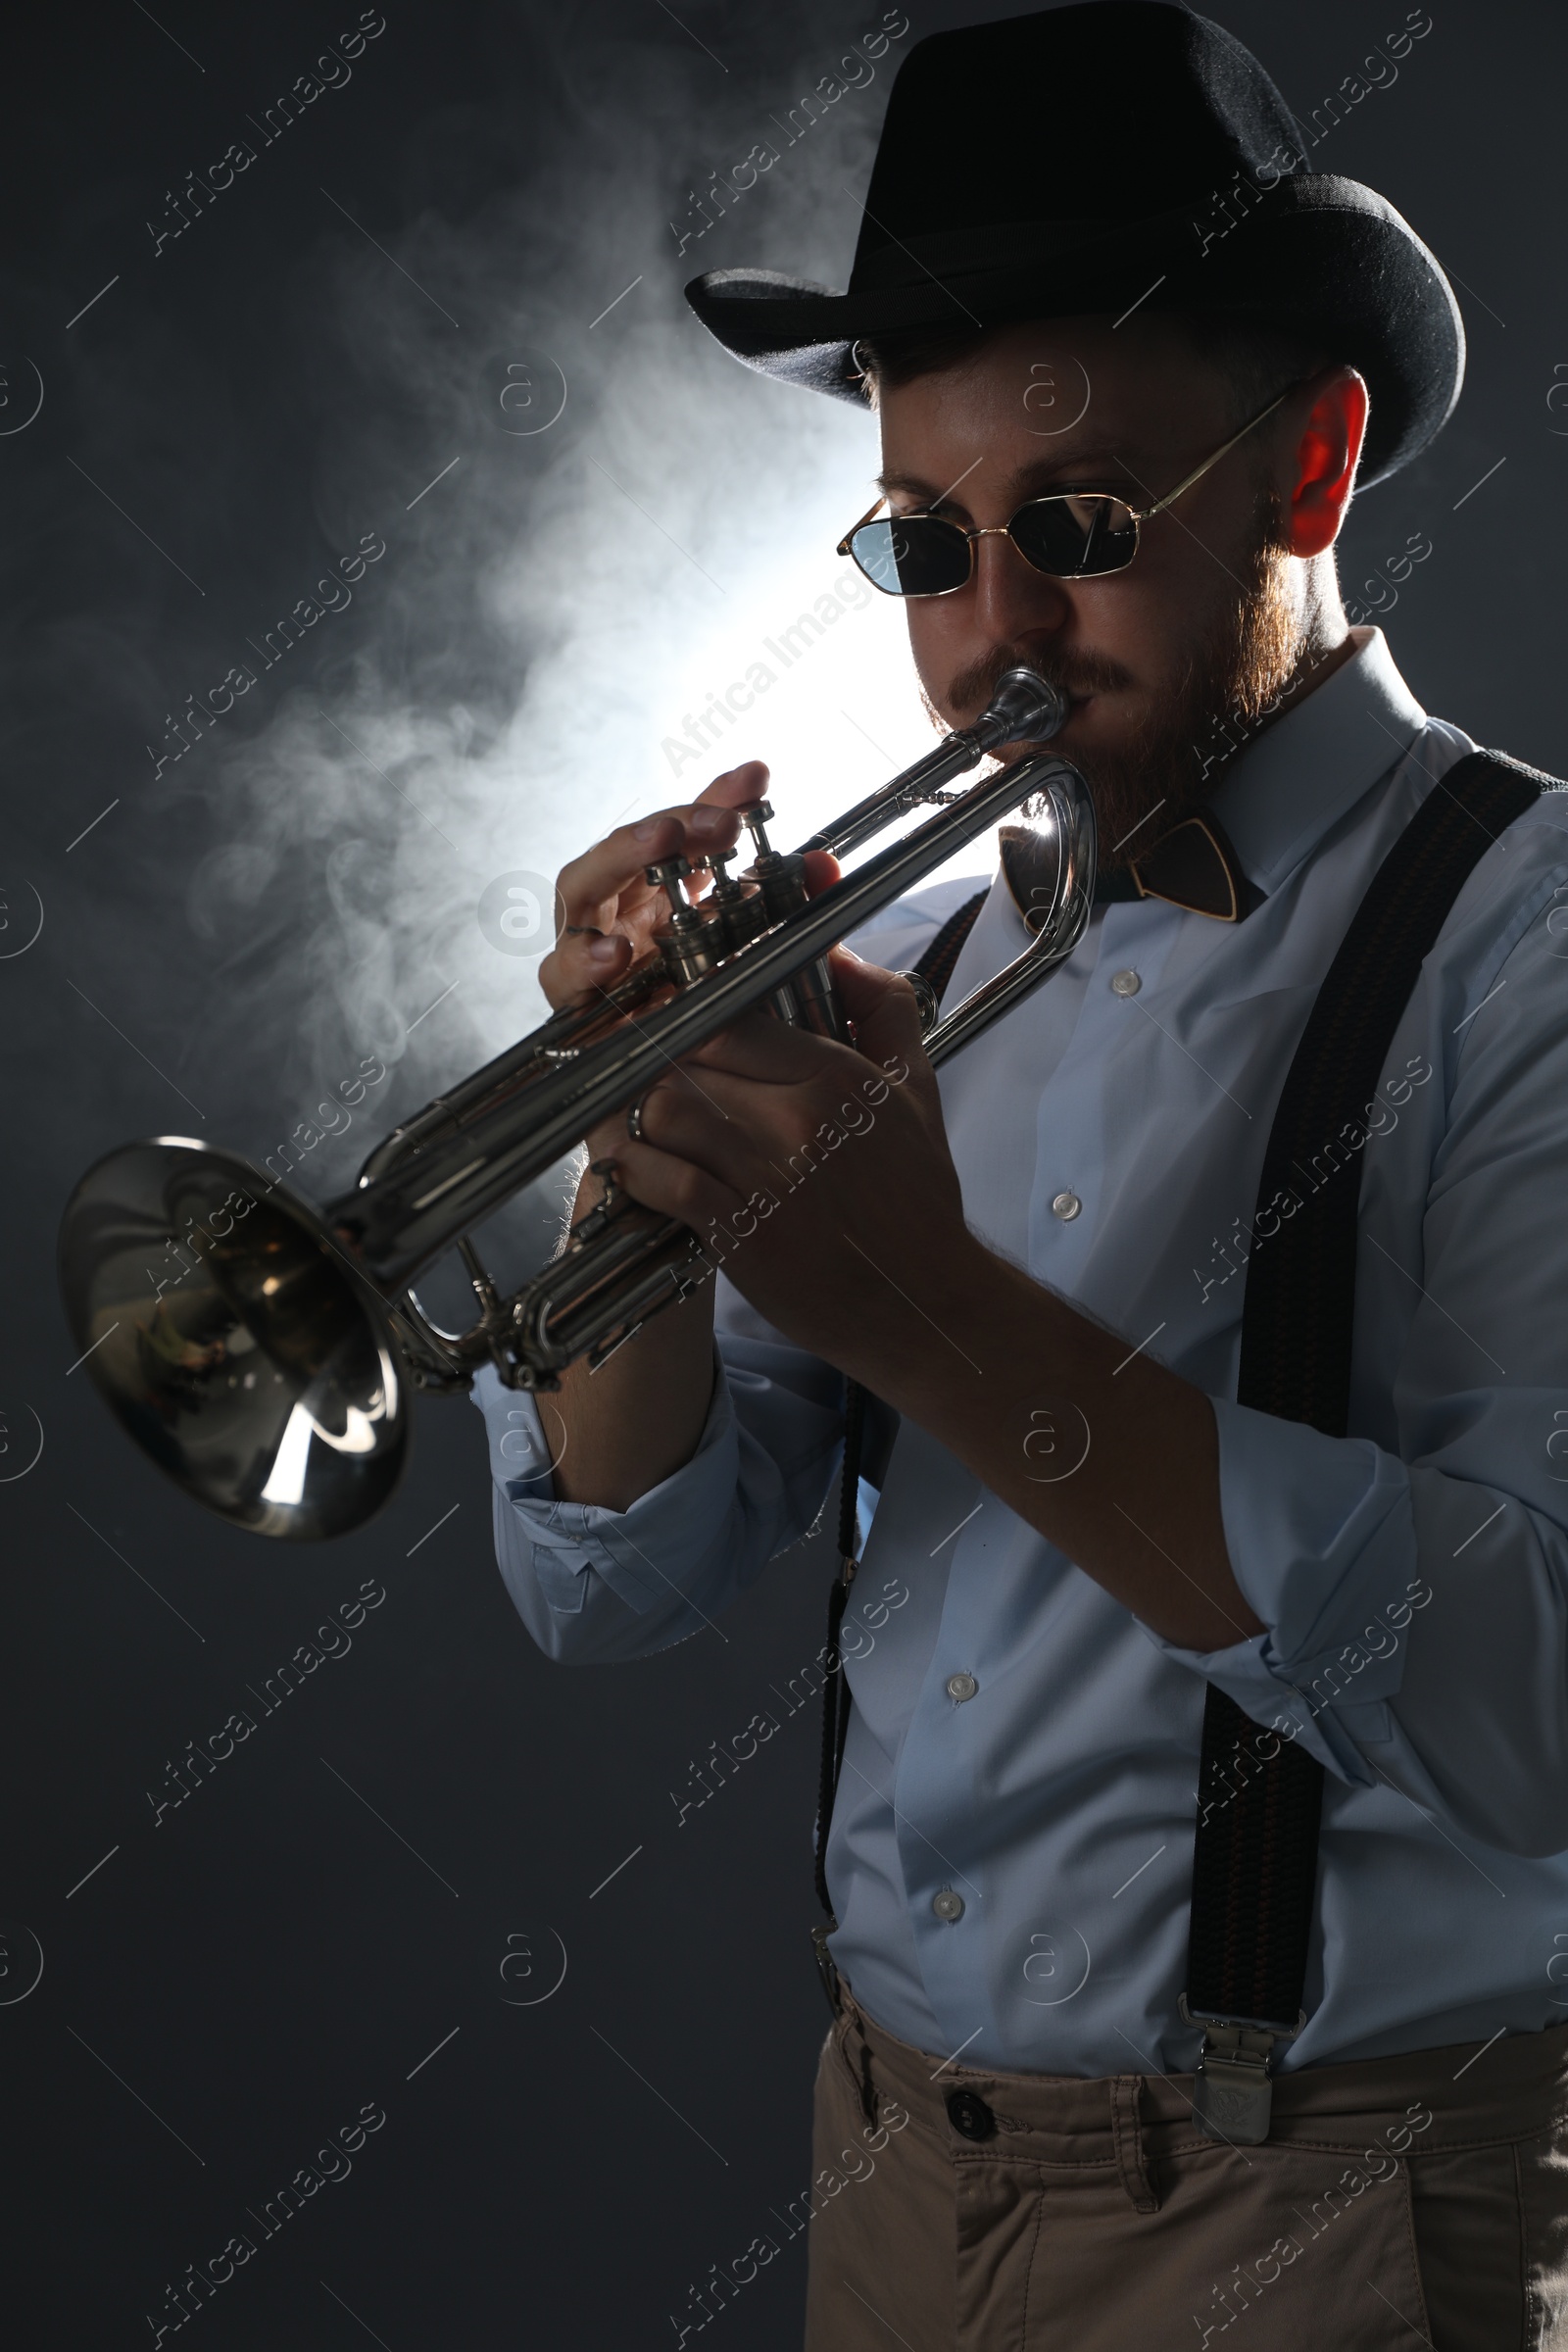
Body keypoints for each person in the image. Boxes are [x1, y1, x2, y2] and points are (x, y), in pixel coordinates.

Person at [472, 8, 1568, 2345]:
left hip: (1328, 2212)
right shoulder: (919, 959)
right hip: (884, 2174)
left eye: (1075, 532)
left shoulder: (1528, 941)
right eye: (922, 545)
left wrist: (912, 1302)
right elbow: (621, 1577)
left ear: (1306, 462)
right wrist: (631, 1173)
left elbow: (1530, 1703)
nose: (988, 638)